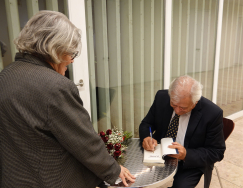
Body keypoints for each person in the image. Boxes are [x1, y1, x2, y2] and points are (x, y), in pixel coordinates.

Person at [0, 10, 135, 188]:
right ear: (54, 48)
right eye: (70, 52)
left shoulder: (6, 75)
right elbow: (83, 141)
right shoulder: (56, 86)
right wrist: (114, 169)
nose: (71, 60)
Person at [139, 75, 226, 188]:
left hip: (189, 162)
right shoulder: (162, 97)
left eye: (183, 108)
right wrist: (146, 137)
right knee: (137, 178)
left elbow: (216, 152)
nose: (177, 111)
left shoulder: (212, 113)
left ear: (195, 102)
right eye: (173, 105)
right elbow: (146, 124)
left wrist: (186, 154)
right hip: (158, 153)